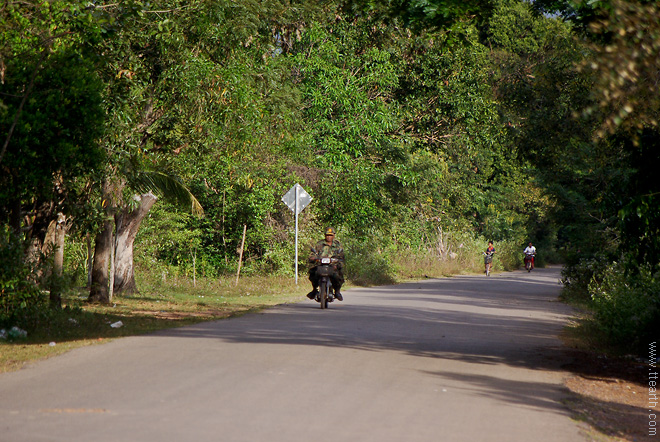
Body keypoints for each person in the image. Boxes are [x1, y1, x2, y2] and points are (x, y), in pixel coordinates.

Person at [307, 227, 345, 301]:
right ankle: (314, 289)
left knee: (338, 276)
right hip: (321, 265)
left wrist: (337, 264)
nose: (329, 237)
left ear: (334, 235)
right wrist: (314, 258)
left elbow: (341, 257)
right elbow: (312, 254)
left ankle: (337, 291)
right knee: (313, 273)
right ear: (324, 235)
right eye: (327, 235)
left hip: (332, 266)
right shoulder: (319, 244)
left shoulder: (337, 245)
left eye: (330, 235)